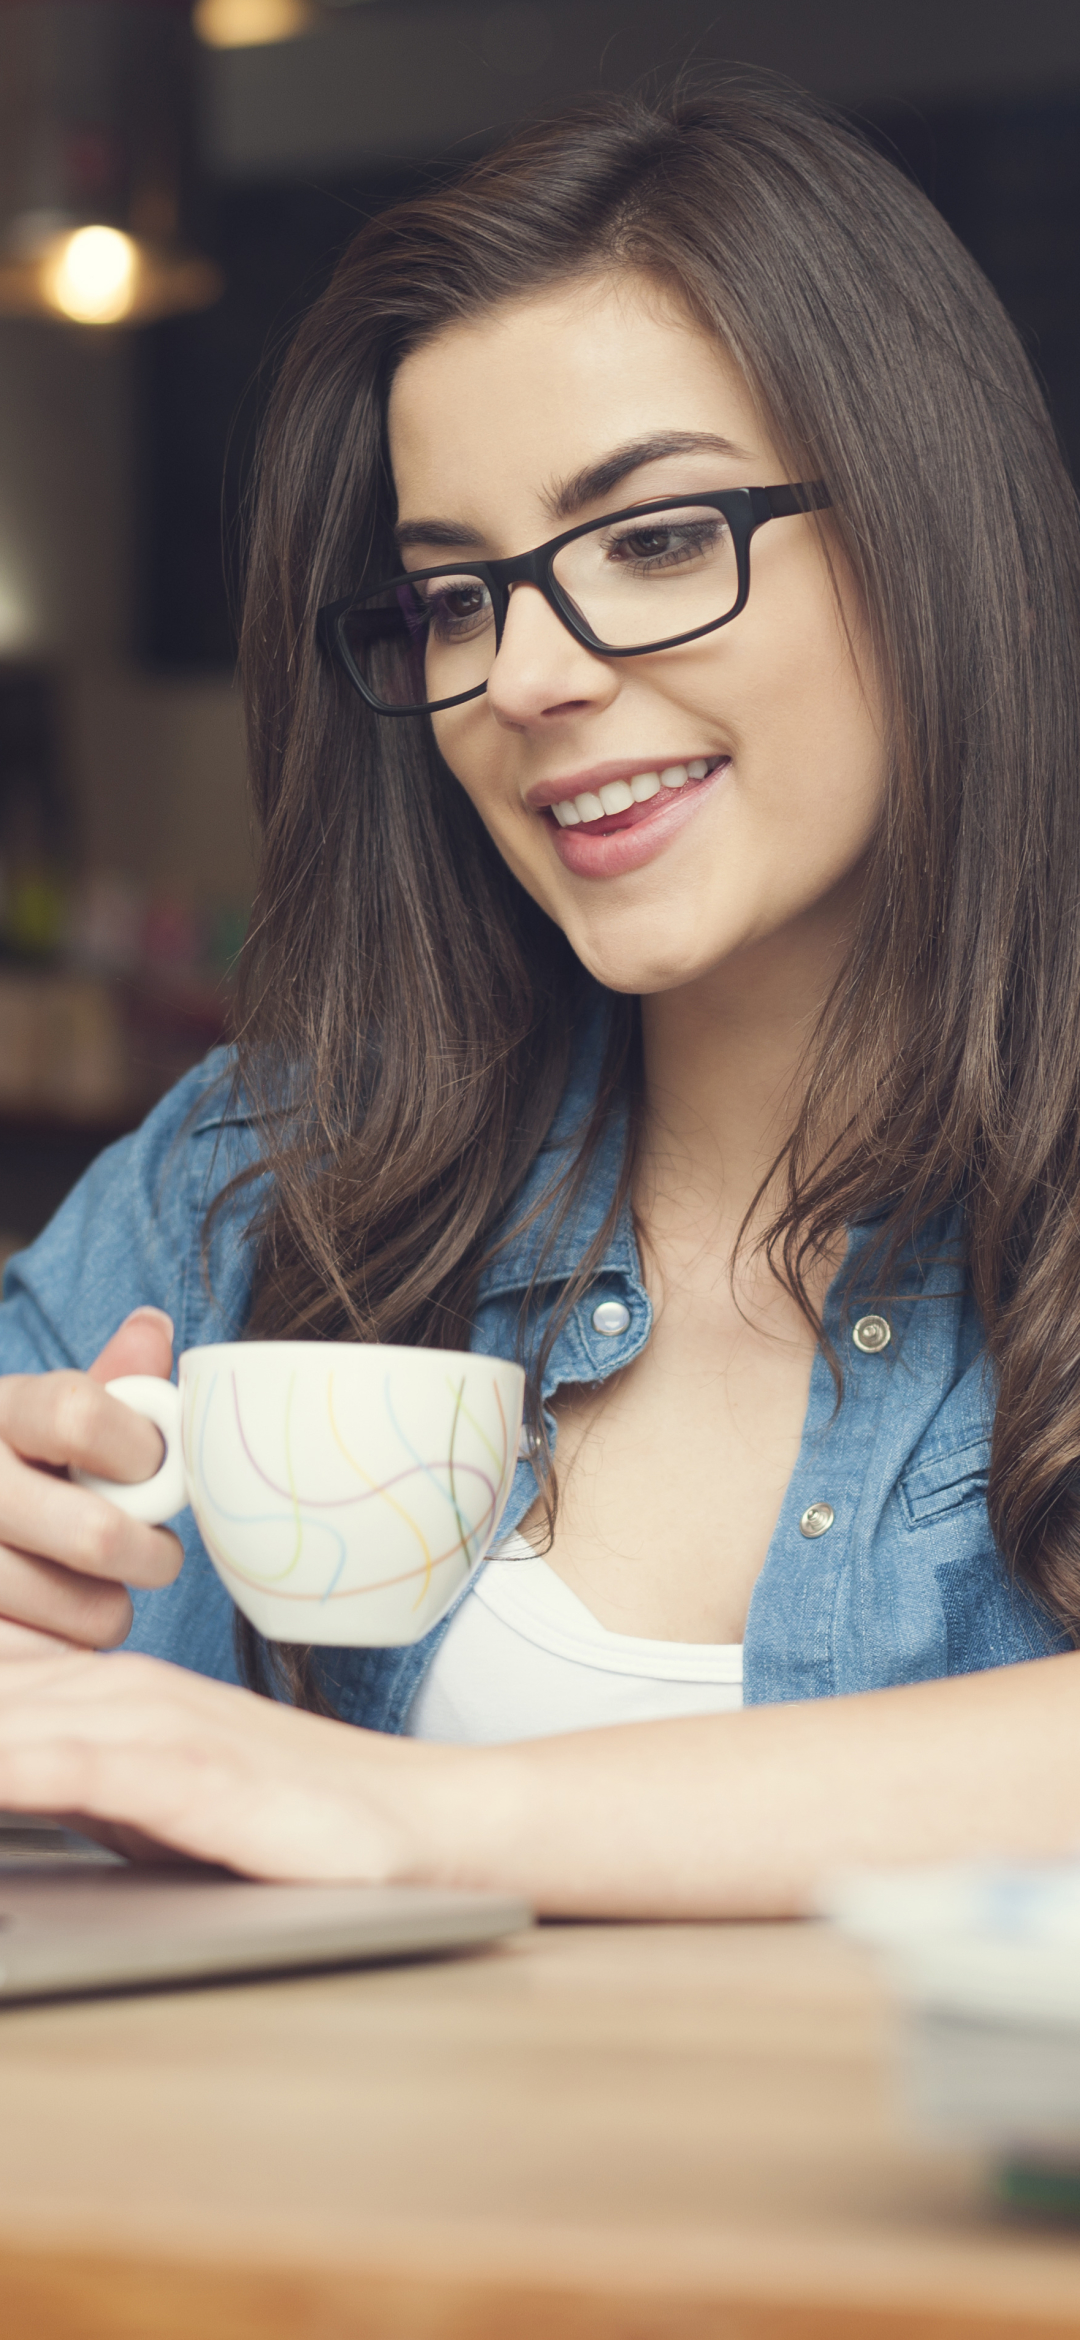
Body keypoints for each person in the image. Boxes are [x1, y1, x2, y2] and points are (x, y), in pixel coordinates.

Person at [0, 77, 1078, 1914]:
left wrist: (403, 1816)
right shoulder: (256, 1180)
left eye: (655, 540)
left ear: (927, 534)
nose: (526, 675)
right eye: (456, 597)